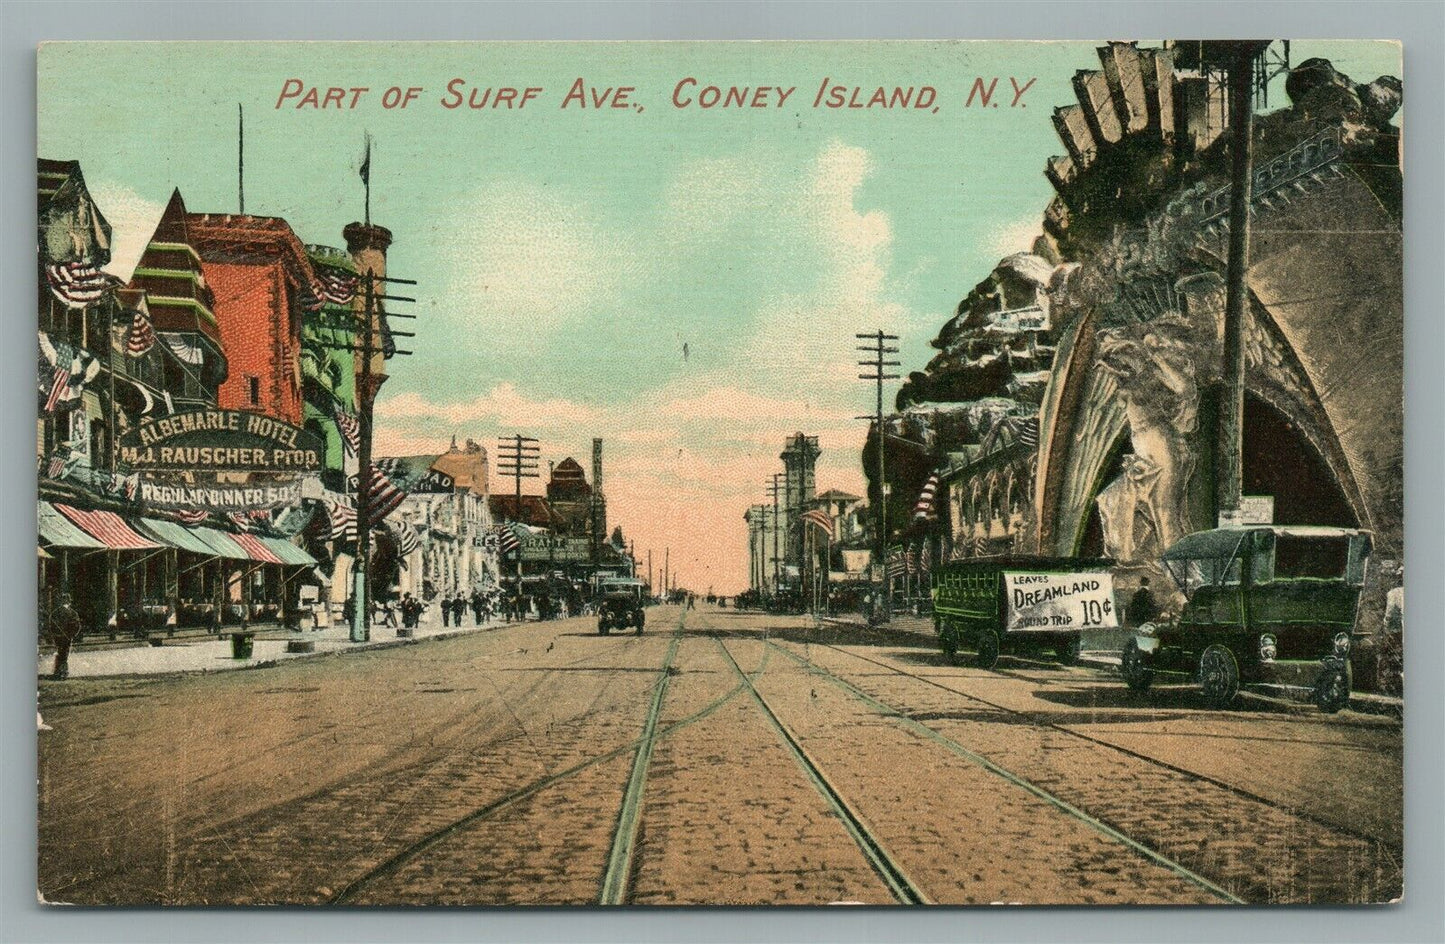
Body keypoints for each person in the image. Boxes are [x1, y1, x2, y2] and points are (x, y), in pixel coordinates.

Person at [47, 593, 82, 680]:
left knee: (59, 653)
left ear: (61, 601)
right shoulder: (73, 613)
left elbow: (51, 625)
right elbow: (77, 626)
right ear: (69, 602)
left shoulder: (55, 612)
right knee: (65, 655)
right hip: (67, 637)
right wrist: (72, 635)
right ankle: (63, 672)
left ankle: (58, 672)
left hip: (58, 637)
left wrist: (54, 635)